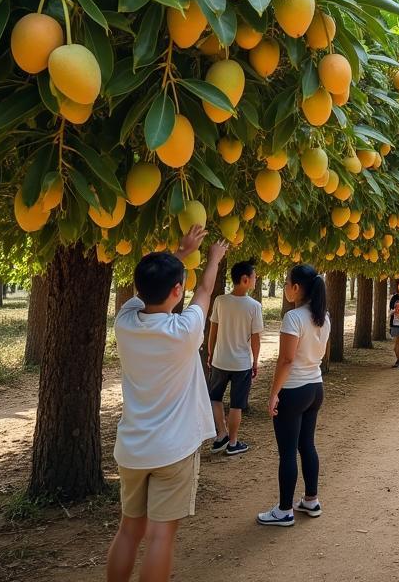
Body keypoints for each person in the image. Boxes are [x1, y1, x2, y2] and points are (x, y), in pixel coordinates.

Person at [106, 225, 229, 582]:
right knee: (160, 535)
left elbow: (148, 289)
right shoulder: (184, 331)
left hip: (132, 448)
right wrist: (213, 258)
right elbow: (205, 290)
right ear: (177, 291)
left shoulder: (125, 322)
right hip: (173, 450)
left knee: (129, 530)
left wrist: (176, 253)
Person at [258, 265, 330, 526]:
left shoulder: (294, 318)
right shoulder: (323, 317)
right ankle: (311, 500)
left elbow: (287, 360)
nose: (285, 286)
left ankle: (284, 510)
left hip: (294, 390)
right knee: (307, 445)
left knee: (288, 452)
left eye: (286, 282)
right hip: (315, 388)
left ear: (296, 287)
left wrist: (273, 393)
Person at [208, 259, 264, 456]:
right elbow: (256, 338)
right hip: (241, 363)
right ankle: (232, 442)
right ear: (245, 279)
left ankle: (221, 434)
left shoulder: (220, 301)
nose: (256, 280)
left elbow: (213, 330)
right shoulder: (254, 306)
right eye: (255, 277)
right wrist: (255, 360)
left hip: (220, 360)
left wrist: (210, 353)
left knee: (214, 398)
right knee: (236, 404)